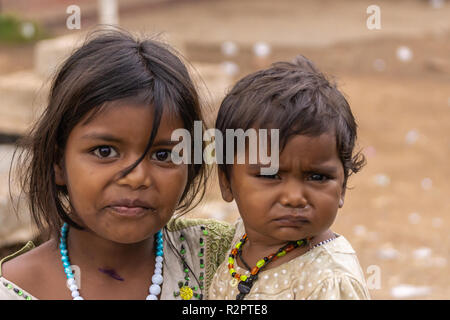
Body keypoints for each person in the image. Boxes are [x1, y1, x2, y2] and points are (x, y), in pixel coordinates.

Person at [0, 28, 234, 300]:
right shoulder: (14, 290)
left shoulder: (220, 259)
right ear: (58, 163)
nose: (136, 178)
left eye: (162, 155)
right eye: (105, 151)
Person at [209, 55, 370, 300]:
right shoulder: (237, 242)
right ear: (226, 182)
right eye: (271, 174)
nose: (295, 198)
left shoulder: (328, 280)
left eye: (317, 177)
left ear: (343, 186)